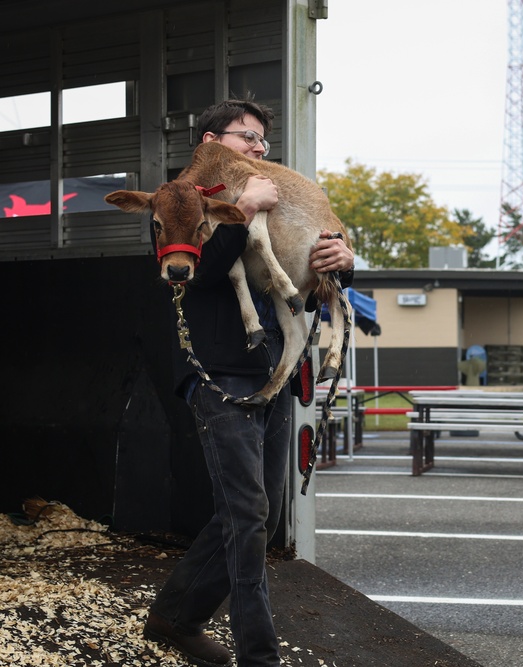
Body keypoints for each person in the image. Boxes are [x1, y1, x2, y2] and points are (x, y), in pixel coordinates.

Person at [141, 97, 355, 667]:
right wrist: (242, 210)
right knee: (248, 513)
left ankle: (174, 616)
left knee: (257, 510)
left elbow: (294, 271)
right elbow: (196, 277)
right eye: (246, 137)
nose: (259, 149)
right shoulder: (179, 199)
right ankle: (258, 656)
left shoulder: (267, 205)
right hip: (216, 375)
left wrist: (341, 259)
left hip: (271, 373)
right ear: (211, 142)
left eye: (262, 141)